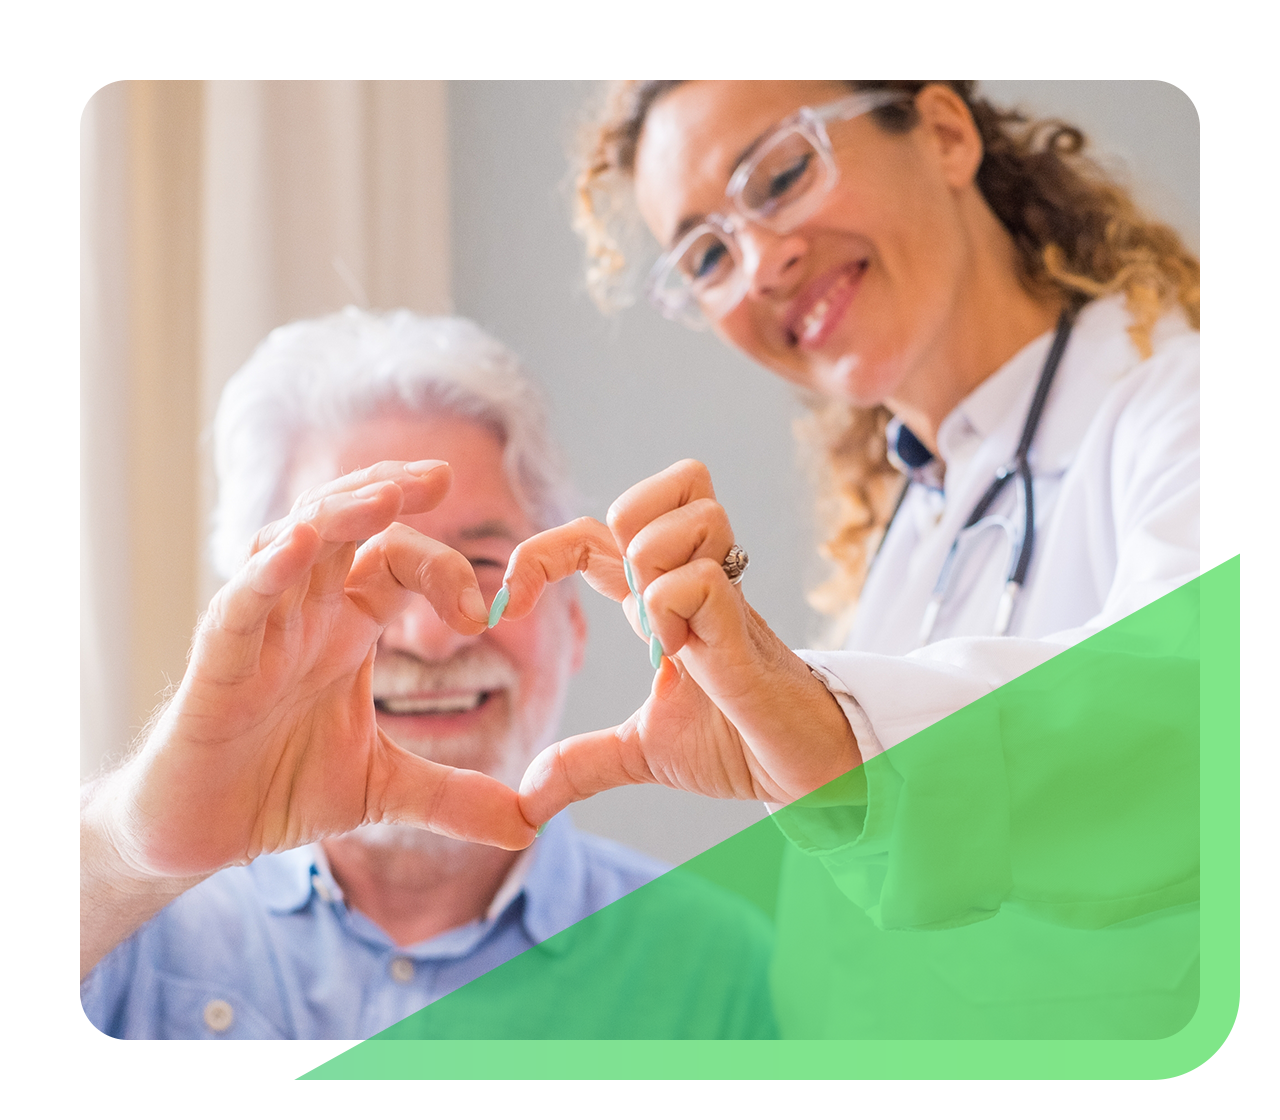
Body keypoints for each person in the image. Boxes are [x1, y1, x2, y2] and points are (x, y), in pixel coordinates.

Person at [492, 82, 1201, 1038]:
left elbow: (1202, 717)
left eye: (782, 173)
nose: (762, 263)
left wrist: (829, 738)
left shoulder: (1193, 402)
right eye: (707, 255)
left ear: (945, 133)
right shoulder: (909, 519)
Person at [80, 309, 775, 1041]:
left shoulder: (722, 977)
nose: (429, 638)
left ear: (575, 621)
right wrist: (125, 851)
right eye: (358, 578)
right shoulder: (120, 931)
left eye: (485, 568)